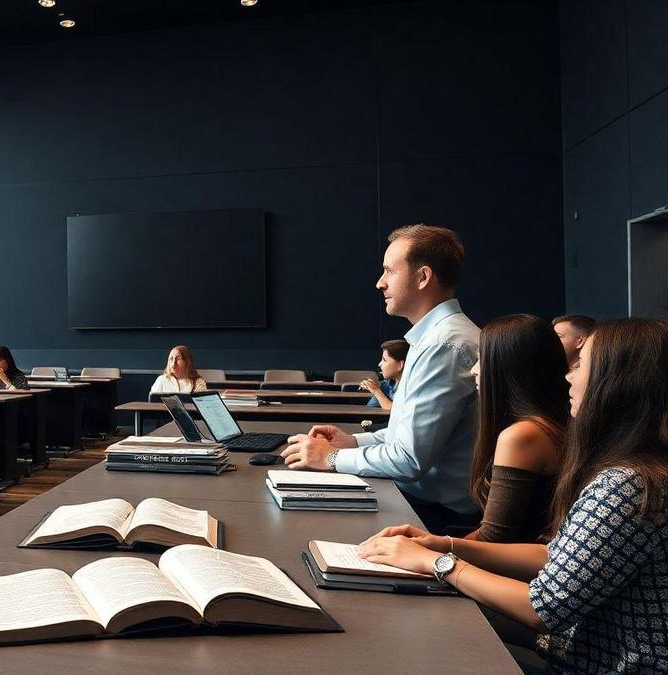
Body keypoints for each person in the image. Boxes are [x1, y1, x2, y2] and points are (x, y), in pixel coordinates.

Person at [357, 319, 668, 673]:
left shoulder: (628, 485)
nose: (569, 375)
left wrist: (437, 564)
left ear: (620, 382)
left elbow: (543, 607)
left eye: (582, 364)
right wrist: (444, 545)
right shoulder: (639, 471)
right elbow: (554, 554)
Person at [282, 224, 481, 535]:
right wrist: (353, 442)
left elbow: (408, 460)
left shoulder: (445, 345)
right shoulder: (434, 339)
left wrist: (332, 457)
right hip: (422, 504)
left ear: (423, 277)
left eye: (389, 271)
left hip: (434, 517)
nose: (379, 283)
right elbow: (406, 435)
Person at [463, 314, 569, 543]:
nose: (474, 369)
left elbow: (494, 537)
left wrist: (431, 549)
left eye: (482, 358)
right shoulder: (553, 424)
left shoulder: (523, 435)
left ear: (509, 366)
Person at [363, 339, 409, 410]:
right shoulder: (387, 383)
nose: (379, 364)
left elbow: (395, 409)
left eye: (384, 360)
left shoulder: (408, 386)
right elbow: (370, 409)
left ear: (400, 365)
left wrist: (376, 391)